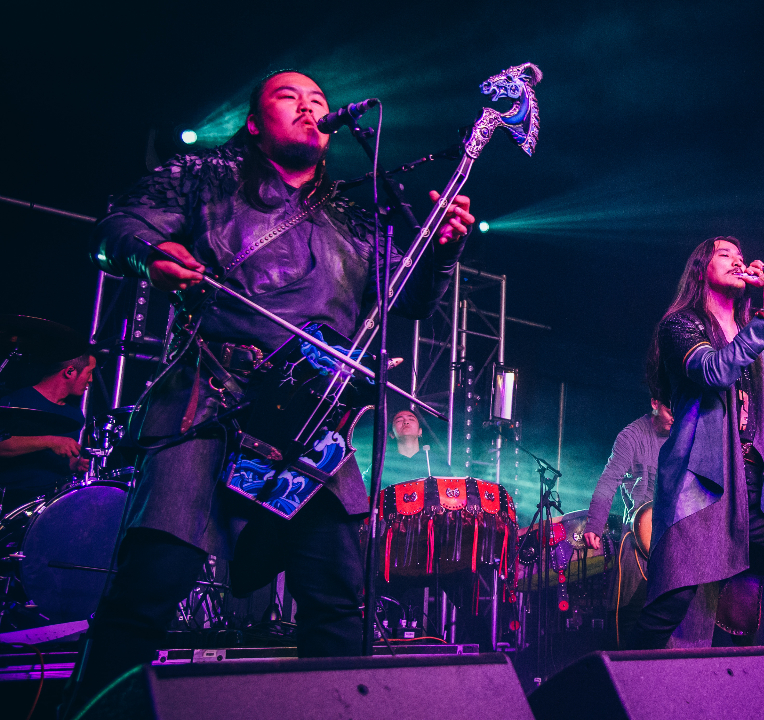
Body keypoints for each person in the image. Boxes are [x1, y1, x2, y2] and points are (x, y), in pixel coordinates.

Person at [70, 69, 473, 707]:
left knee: (337, 600)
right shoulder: (205, 175)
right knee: (151, 583)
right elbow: (119, 226)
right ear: (256, 122)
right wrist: (152, 254)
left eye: (319, 101)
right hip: (209, 396)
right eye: (290, 97)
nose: (311, 108)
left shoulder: (356, 211)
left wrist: (442, 251)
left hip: (309, 419)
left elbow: (406, 303)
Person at [629, 236, 764, 674]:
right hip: (705, 488)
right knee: (670, 601)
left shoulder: (760, 332)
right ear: (700, 271)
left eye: (741, 256)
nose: (738, 261)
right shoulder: (682, 326)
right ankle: (619, 683)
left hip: (760, 491)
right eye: (725, 255)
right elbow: (714, 370)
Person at [581, 393, 674, 646]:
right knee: (627, 617)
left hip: (673, 542)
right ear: (655, 403)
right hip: (637, 539)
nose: (674, 418)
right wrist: (594, 524)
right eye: (669, 410)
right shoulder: (631, 436)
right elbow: (608, 480)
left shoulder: (682, 435)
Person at [0, 354, 96, 510]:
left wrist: (75, 465)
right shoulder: (16, 403)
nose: (90, 379)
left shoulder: (74, 416)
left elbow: (55, 462)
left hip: (51, 504)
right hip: (12, 503)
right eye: (89, 372)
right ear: (70, 372)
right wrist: (51, 441)